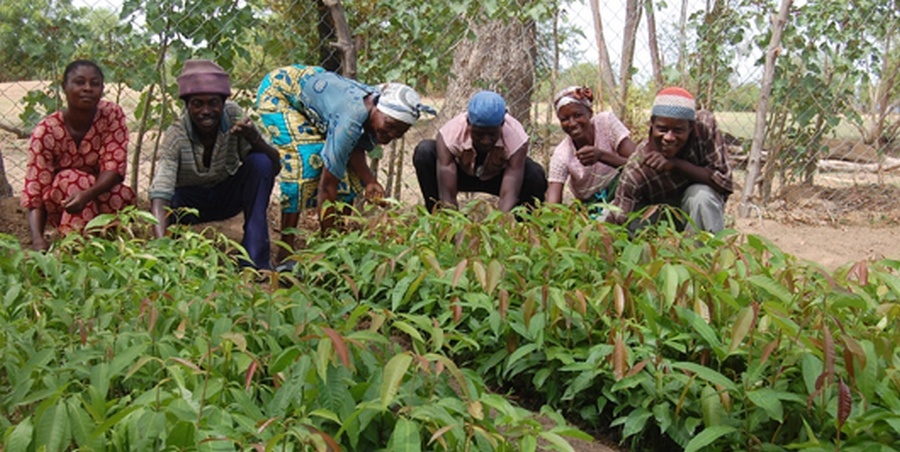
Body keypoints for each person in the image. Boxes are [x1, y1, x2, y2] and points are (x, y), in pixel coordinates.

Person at [255, 64, 433, 268]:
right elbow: (327, 187)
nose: (390, 136)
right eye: (389, 126)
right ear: (377, 109)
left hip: (316, 89)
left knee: (349, 177)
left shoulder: (372, 108)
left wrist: (369, 181)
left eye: (398, 133)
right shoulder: (350, 119)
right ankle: (286, 254)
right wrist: (331, 253)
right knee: (305, 164)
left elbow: (352, 147)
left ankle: (340, 241)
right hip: (280, 91)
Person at [149, 59, 280, 270]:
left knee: (260, 162)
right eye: (197, 104)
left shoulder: (234, 116)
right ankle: (170, 255)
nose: (206, 111)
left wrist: (254, 138)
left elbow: (273, 167)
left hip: (225, 197)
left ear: (223, 103)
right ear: (187, 106)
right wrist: (159, 248)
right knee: (165, 197)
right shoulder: (176, 135)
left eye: (213, 103)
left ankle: (255, 260)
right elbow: (161, 189)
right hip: (187, 204)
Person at [21, 59, 135, 250]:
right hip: (63, 203)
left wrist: (87, 195)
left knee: (121, 194)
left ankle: (111, 244)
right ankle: (77, 249)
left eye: (95, 83)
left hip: (97, 196)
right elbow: (36, 190)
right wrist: (37, 239)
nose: (88, 88)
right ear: (64, 87)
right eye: (79, 82)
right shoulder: (47, 131)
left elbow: (113, 167)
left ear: (102, 89)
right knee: (72, 178)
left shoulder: (111, 115)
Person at [604, 87, 733, 232]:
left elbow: (725, 182)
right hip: (657, 218)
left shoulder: (704, 127)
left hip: (692, 212)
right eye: (662, 129)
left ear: (691, 127)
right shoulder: (639, 165)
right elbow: (619, 216)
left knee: (702, 196)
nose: (669, 137)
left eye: (678, 130)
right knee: (606, 218)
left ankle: (702, 253)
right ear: (652, 124)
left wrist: (676, 165)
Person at [413, 90, 546, 213]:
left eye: (492, 134)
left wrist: (497, 229)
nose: (486, 141)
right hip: (461, 175)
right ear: (468, 123)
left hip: (498, 178)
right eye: (479, 134)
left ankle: (520, 229)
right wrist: (452, 227)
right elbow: (447, 194)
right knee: (425, 151)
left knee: (534, 174)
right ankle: (438, 219)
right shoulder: (450, 134)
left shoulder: (516, 137)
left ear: (502, 125)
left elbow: (509, 194)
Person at [545, 86, 636, 212]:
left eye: (577, 115)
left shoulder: (606, 122)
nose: (572, 123)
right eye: (564, 119)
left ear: (590, 113)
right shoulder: (562, 154)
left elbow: (639, 164)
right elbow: (553, 201)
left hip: (622, 188)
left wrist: (602, 156)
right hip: (592, 206)